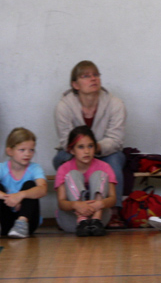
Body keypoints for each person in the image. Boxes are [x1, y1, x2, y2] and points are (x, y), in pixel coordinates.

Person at [53, 60, 126, 228]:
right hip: (73, 151)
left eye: (96, 75)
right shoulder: (63, 106)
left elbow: (116, 139)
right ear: (75, 84)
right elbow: (65, 141)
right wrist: (81, 149)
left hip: (106, 152)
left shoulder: (115, 104)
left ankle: (113, 212)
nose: (93, 79)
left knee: (114, 161)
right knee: (62, 160)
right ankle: (74, 209)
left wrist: (92, 149)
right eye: (86, 76)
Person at [55, 126, 118, 236]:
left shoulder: (105, 167)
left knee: (99, 174)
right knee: (73, 174)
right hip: (72, 219)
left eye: (90, 146)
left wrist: (100, 204)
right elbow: (61, 203)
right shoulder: (64, 169)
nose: (86, 151)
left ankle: (96, 221)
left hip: (100, 216)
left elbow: (113, 199)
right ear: (71, 150)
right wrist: (77, 205)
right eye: (81, 147)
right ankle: (82, 220)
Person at [1, 128, 48, 238]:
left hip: (29, 223)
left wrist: (20, 196)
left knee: (30, 185)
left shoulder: (35, 168)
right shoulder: (2, 168)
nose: (27, 154)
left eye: (31, 150)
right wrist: (9, 198)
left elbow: (42, 189)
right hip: (6, 222)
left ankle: (21, 224)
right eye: (22, 150)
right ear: (10, 151)